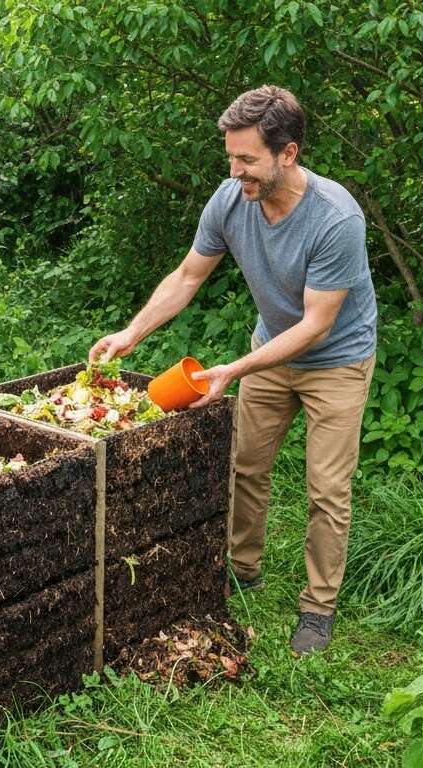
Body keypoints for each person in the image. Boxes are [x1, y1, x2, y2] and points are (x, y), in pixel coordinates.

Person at [89, 86, 377, 657]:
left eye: (247, 159)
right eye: (230, 157)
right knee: (246, 467)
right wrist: (131, 333)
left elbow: (317, 324)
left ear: (287, 154)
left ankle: (318, 609)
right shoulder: (230, 199)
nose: (234, 170)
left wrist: (235, 370)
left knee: (327, 489)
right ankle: (243, 572)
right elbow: (188, 276)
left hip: (335, 361)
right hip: (271, 351)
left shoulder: (336, 217)